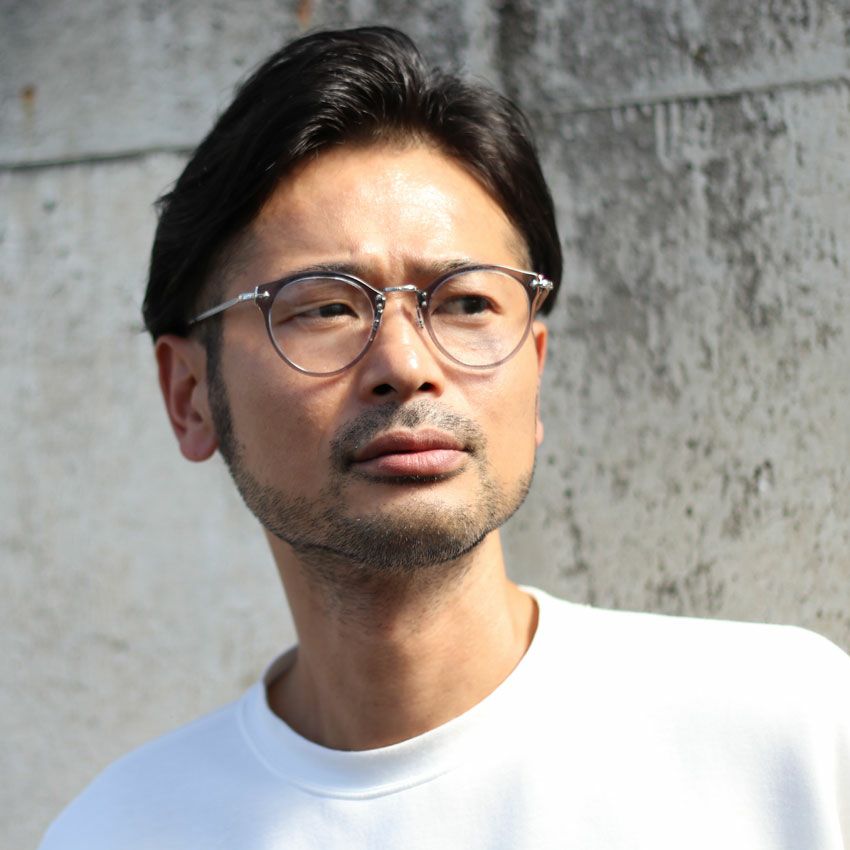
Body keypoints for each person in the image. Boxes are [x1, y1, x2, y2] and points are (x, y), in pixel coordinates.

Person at [41, 26, 849, 849]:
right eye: (326, 307)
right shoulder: (118, 832)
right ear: (189, 396)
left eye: (466, 303)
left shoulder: (792, 737)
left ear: (535, 367)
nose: (405, 364)